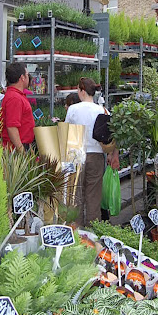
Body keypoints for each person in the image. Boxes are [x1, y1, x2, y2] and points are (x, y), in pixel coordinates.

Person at [65, 77, 105, 226]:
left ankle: (78, 232)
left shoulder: (74, 109)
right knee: (93, 196)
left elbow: (67, 131)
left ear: (82, 91)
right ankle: (93, 234)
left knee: (76, 195)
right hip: (96, 155)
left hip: (77, 155)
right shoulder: (101, 109)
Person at [1, 62, 35, 151]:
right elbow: (12, 127)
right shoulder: (14, 98)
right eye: (27, 74)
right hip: (15, 148)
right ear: (22, 77)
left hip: (20, 145)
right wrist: (21, 150)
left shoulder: (16, 96)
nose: (29, 77)